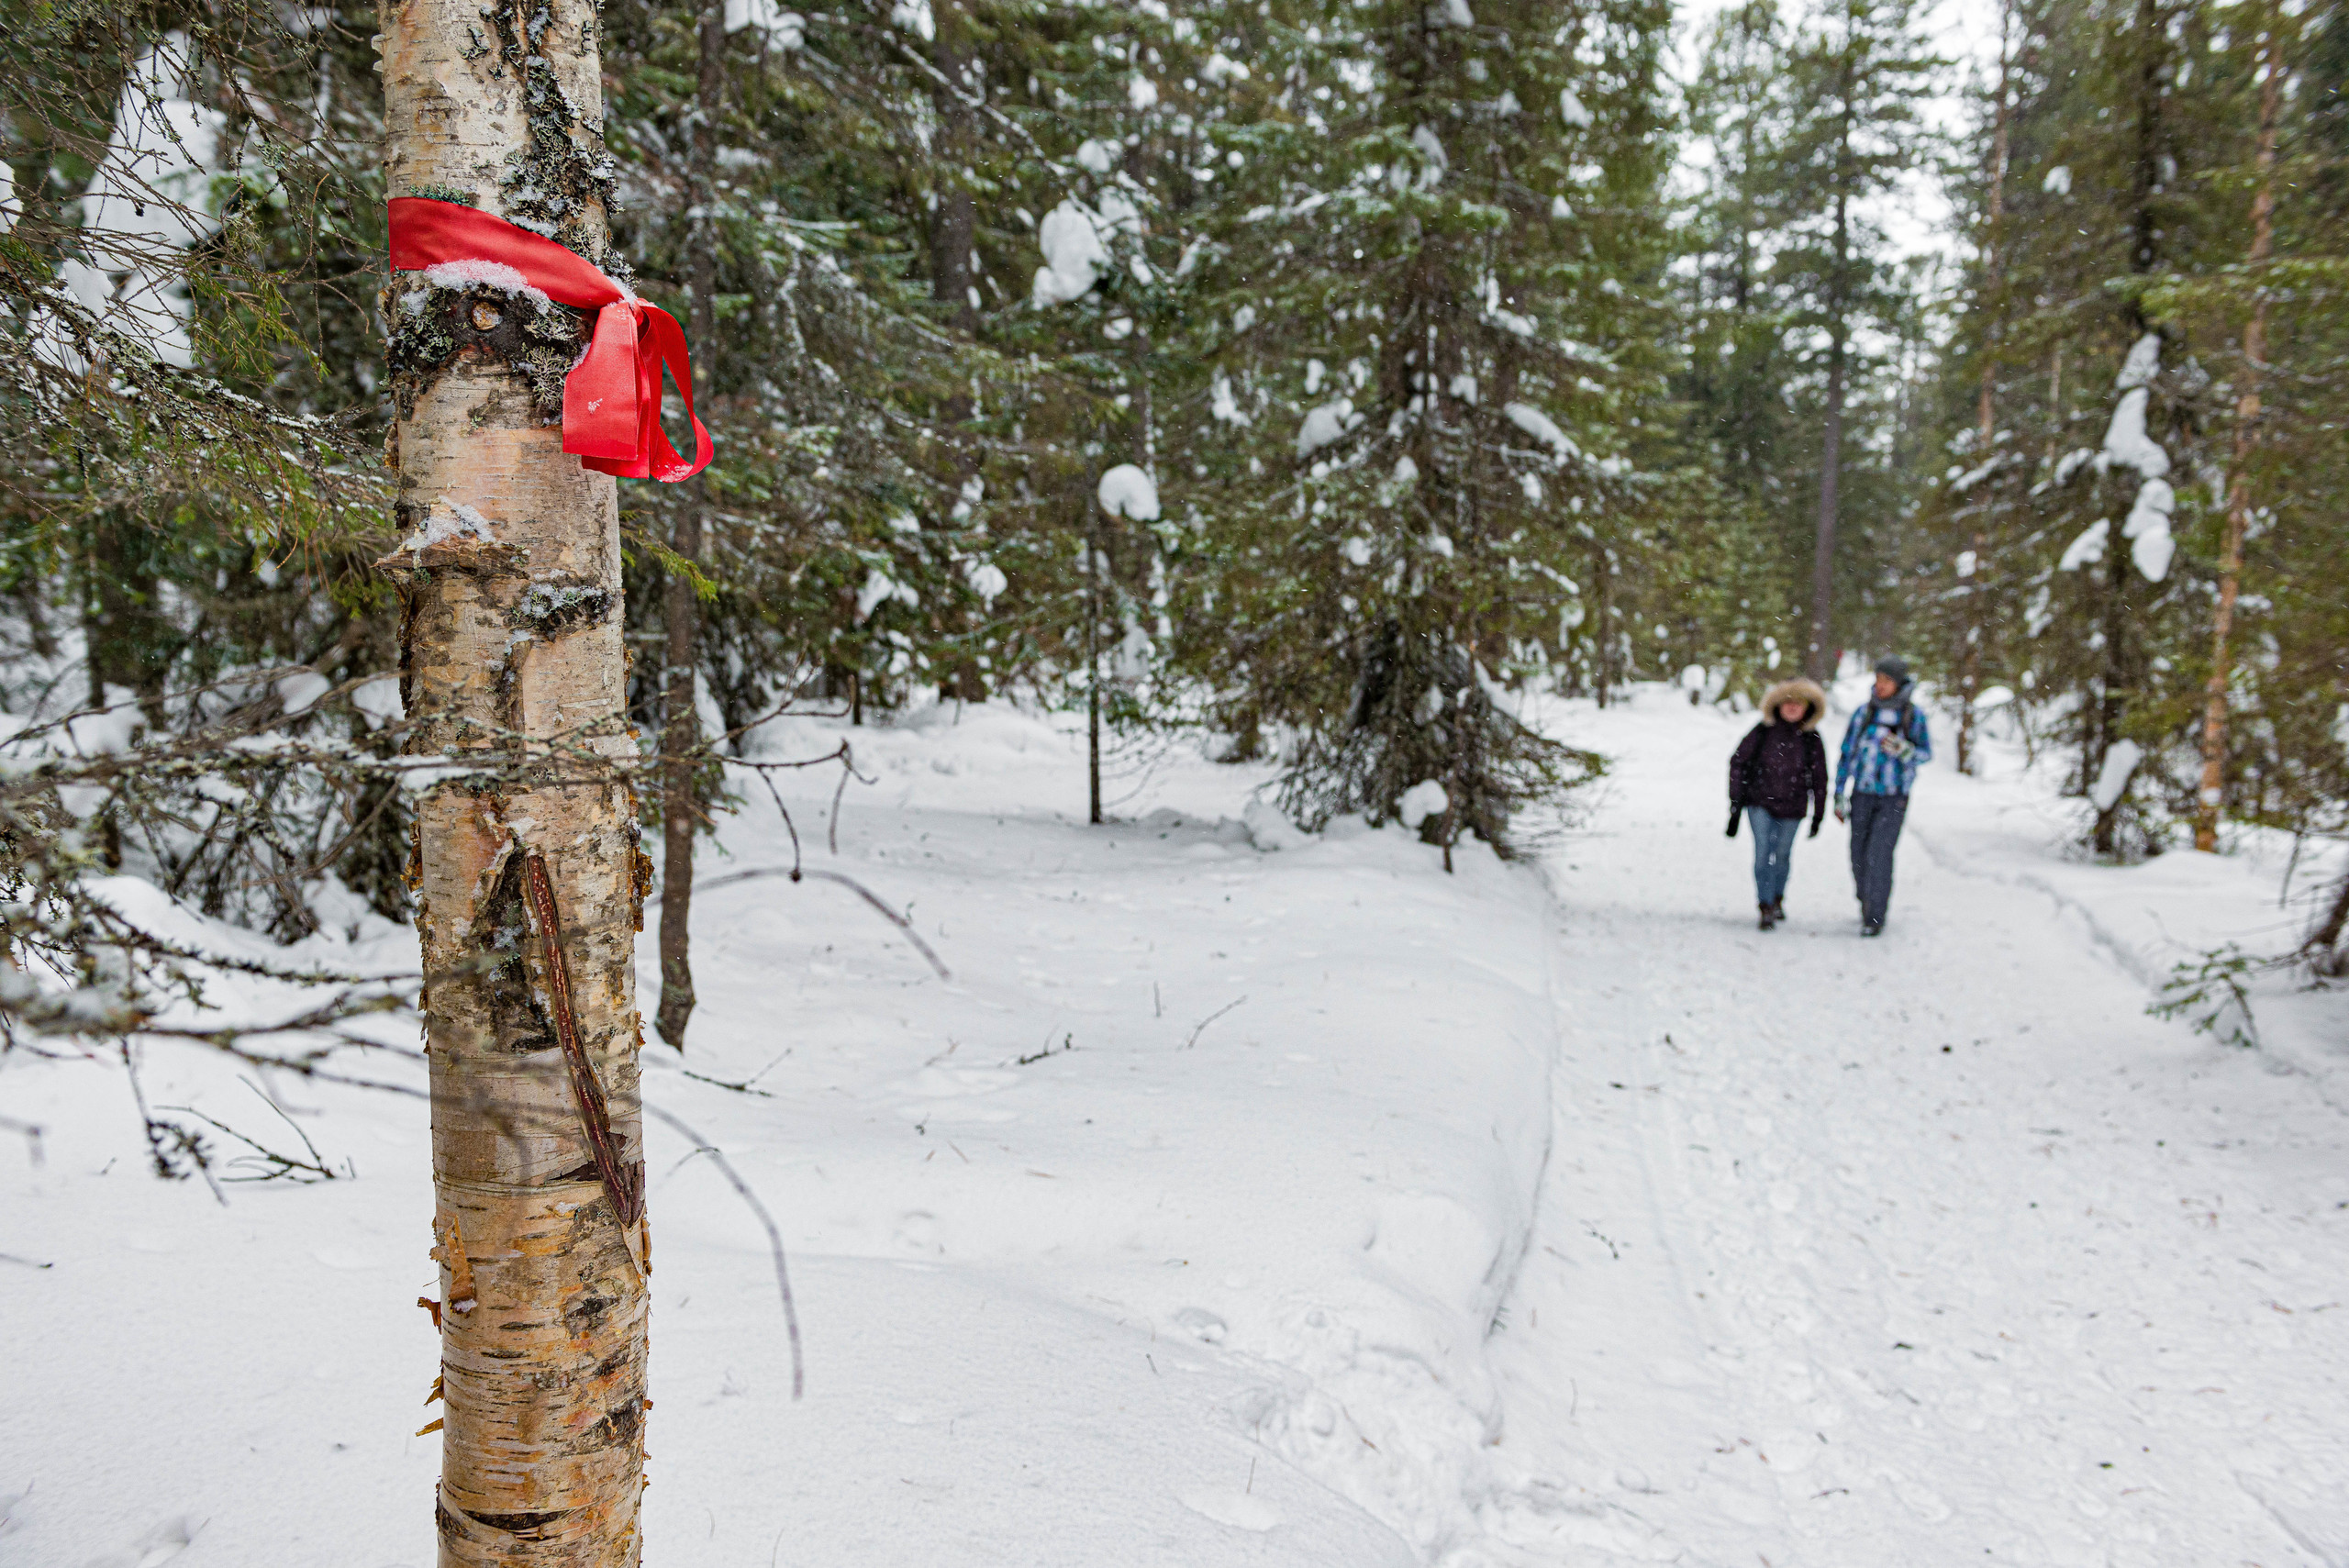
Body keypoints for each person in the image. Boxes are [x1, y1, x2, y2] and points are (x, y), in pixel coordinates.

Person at [1834, 655, 1933, 937]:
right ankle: (1866, 901)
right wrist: (1839, 792)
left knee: (1879, 854)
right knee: (1858, 854)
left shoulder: (1912, 716)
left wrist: (1905, 751)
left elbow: (1926, 754)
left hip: (1894, 797)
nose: (1880, 685)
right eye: (1877, 679)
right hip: (1862, 794)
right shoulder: (1863, 714)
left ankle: (1875, 916)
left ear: (1899, 682)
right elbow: (1846, 754)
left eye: (1886, 680)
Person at [1728, 677, 1830, 929]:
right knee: (1763, 852)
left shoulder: (1811, 739)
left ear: (1808, 707)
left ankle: (1777, 897)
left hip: (1793, 807)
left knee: (1782, 854)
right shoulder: (1762, 732)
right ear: (1778, 705)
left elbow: (1820, 778)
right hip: (1759, 802)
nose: (1793, 708)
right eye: (1788, 703)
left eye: (1799, 703)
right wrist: (1736, 799)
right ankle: (1764, 904)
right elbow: (1738, 762)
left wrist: (1819, 813)